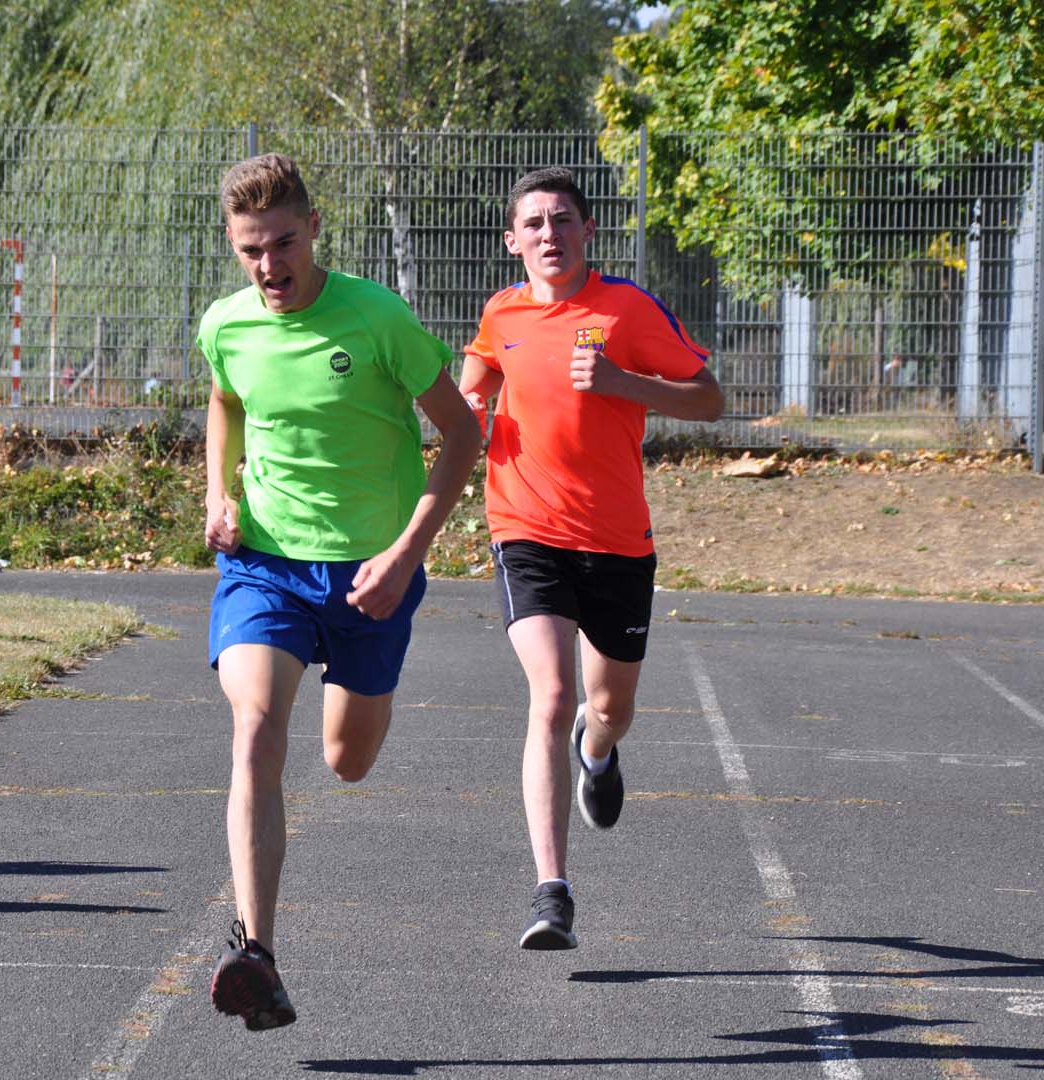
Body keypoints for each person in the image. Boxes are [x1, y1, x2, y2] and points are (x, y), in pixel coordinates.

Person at [199, 153, 482, 1030]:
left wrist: (405, 554)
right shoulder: (226, 324)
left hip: (370, 573)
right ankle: (259, 953)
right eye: (251, 249)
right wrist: (219, 492)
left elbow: (464, 437)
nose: (269, 265)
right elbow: (226, 400)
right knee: (254, 734)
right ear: (234, 246)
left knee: (346, 761)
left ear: (314, 228)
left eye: (283, 243)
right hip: (267, 566)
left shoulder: (376, 317)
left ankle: (260, 948)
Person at [459, 167, 723, 951]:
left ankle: (598, 752)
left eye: (562, 220)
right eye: (533, 223)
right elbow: (476, 381)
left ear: (587, 232)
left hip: (616, 541)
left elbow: (708, 398)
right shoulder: (501, 312)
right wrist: (469, 409)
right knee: (549, 694)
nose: (548, 234)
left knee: (607, 708)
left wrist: (620, 381)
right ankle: (552, 893)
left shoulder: (627, 309)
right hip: (525, 527)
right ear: (513, 241)